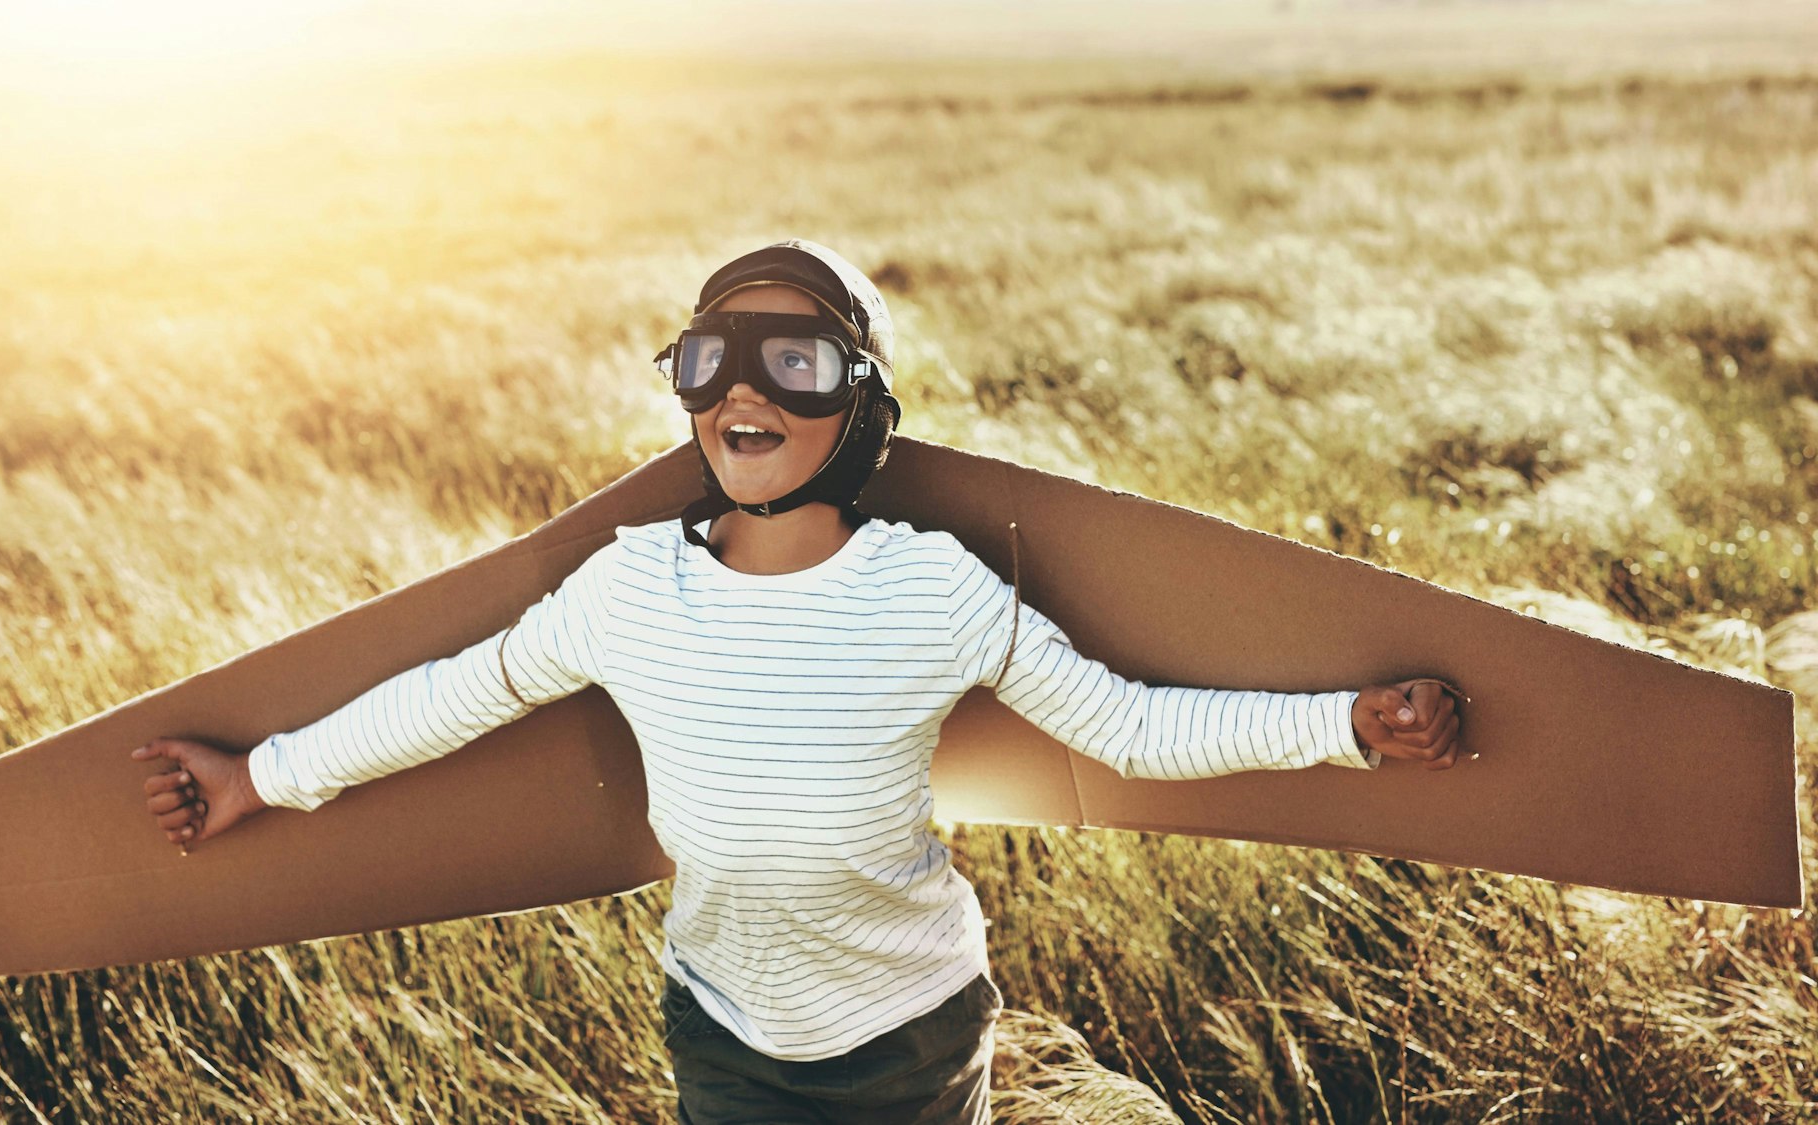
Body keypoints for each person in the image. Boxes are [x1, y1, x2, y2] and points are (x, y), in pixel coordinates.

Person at [130, 239, 1465, 1124]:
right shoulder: (626, 585)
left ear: (859, 407)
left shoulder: (933, 587)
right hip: (725, 1032)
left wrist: (1344, 726)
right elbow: (455, 692)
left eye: (796, 360)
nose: (744, 390)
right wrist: (259, 775)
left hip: (914, 1035)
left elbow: (1124, 722)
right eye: (712, 358)